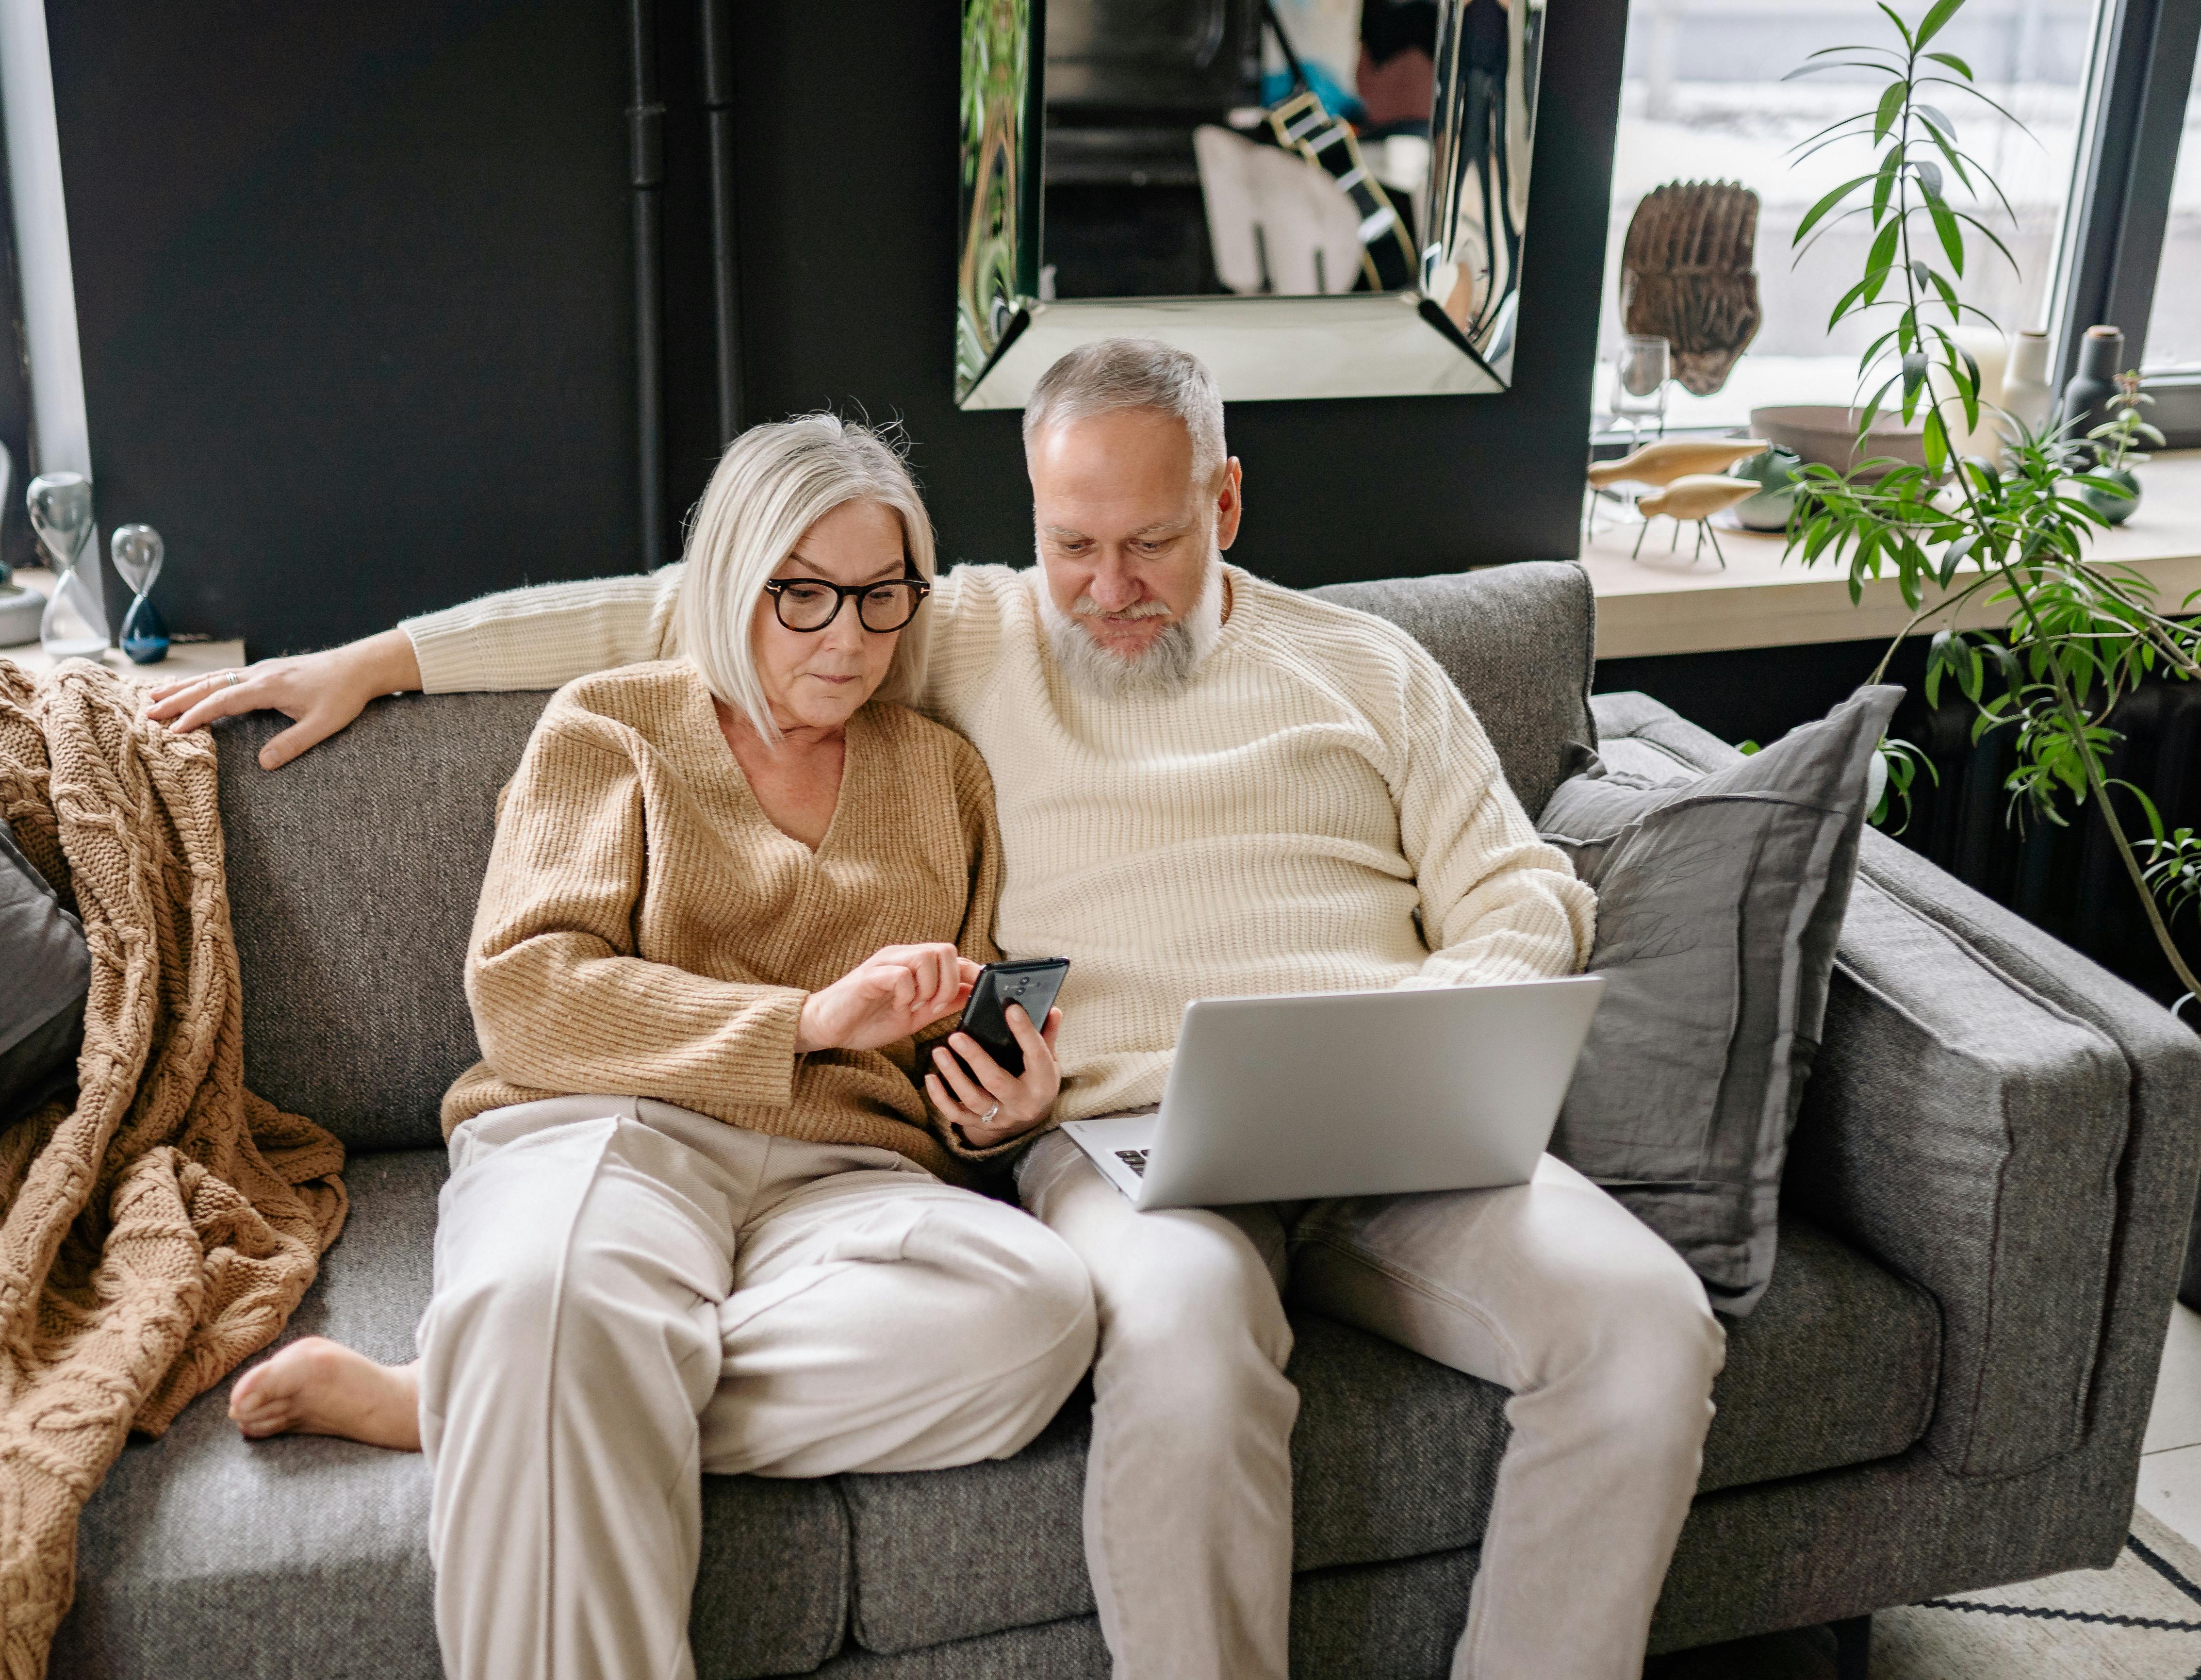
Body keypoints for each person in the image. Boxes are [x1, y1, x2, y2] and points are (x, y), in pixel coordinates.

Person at [158, 340, 1726, 1680]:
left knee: (1645, 1327)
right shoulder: (953, 632)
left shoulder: (1365, 671)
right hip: (1121, 1132)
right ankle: (537, 1380)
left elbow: (1525, 890)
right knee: (1176, 1343)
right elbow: (667, 614)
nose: (1107, 593)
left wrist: (1439, 1012)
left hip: (1396, 1105)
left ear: (1226, 506)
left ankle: (524, 1395)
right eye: (1071, 545)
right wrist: (381, 658)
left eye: (1152, 546)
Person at [216, 414, 1098, 1680]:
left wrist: (997, 1109)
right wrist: (801, 1021)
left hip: (847, 1177)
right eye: (801, 595)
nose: (848, 637)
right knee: (548, 1297)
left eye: (879, 595)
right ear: (733, 581)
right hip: (605, 1129)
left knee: (1035, 1313)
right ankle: (534, 1355)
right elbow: (528, 996)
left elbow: (938, 1067)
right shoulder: (608, 729)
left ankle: (475, 1395)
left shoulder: (941, 775)